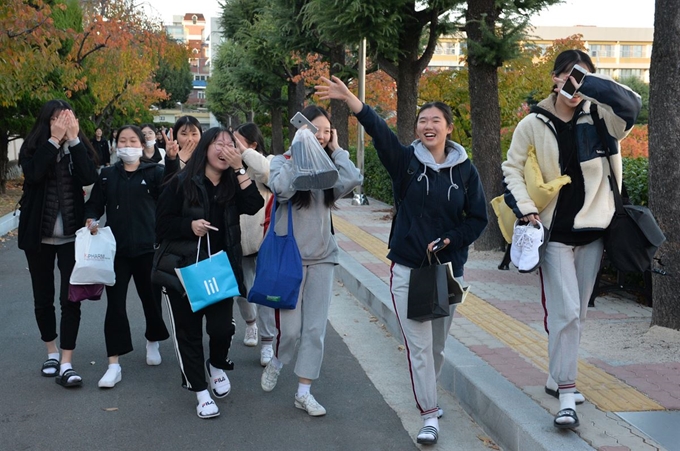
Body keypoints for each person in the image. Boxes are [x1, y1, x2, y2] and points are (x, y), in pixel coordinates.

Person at [316, 77, 488, 444]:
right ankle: (428, 413)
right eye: (423, 120)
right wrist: (352, 101)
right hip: (409, 271)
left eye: (435, 120)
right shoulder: (406, 162)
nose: (428, 125)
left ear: (449, 128)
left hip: (446, 274)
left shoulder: (466, 171)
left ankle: (430, 398)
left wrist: (451, 240)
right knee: (421, 348)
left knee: (438, 346)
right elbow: (379, 132)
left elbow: (478, 220)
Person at [500, 50, 641, 429]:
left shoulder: (600, 117)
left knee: (576, 313)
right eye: (567, 76)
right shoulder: (533, 121)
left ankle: (554, 377)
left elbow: (632, 105)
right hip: (554, 234)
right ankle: (566, 394)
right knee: (565, 312)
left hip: (594, 233)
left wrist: (589, 84)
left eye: (581, 77)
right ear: (553, 78)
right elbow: (511, 168)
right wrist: (527, 207)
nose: (573, 84)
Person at [261, 105, 363, 417]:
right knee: (290, 331)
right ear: (301, 130)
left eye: (326, 130)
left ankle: (303, 392)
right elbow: (280, 190)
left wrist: (335, 148)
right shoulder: (282, 162)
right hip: (289, 258)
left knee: (315, 330)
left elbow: (354, 178)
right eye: (315, 130)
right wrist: (297, 153)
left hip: (323, 258)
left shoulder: (330, 168)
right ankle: (278, 361)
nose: (321, 135)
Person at [156, 127, 264, 419]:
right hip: (183, 271)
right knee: (188, 334)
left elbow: (255, 204)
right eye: (219, 143)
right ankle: (200, 393)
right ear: (205, 148)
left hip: (219, 269)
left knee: (222, 329)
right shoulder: (181, 183)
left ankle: (216, 364)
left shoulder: (232, 184)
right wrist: (188, 227)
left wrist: (240, 168)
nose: (224, 149)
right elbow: (161, 224)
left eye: (231, 145)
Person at [17, 100, 99, 387]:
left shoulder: (78, 148)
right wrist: (53, 140)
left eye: (67, 119)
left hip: (71, 238)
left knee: (70, 299)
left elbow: (90, 177)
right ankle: (51, 351)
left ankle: (66, 360)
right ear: (47, 121)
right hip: (37, 236)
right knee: (43, 297)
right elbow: (34, 173)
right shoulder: (33, 148)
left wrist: (74, 139)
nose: (63, 124)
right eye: (57, 119)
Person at [84, 125, 171, 388]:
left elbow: (169, 202)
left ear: (142, 143)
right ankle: (114, 364)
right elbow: (93, 206)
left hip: (148, 249)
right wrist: (91, 219)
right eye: (122, 140)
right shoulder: (108, 176)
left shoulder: (155, 172)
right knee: (115, 306)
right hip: (116, 252)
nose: (127, 144)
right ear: (116, 144)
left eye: (132, 139)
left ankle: (153, 339)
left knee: (151, 300)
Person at [233, 122, 275, 365]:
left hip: (264, 240)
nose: (233, 147)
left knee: (266, 293)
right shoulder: (229, 166)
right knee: (242, 291)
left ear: (252, 145)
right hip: (238, 243)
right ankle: (250, 324)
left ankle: (268, 342)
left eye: (238, 142)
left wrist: (245, 156)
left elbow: (269, 174)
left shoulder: (265, 162)